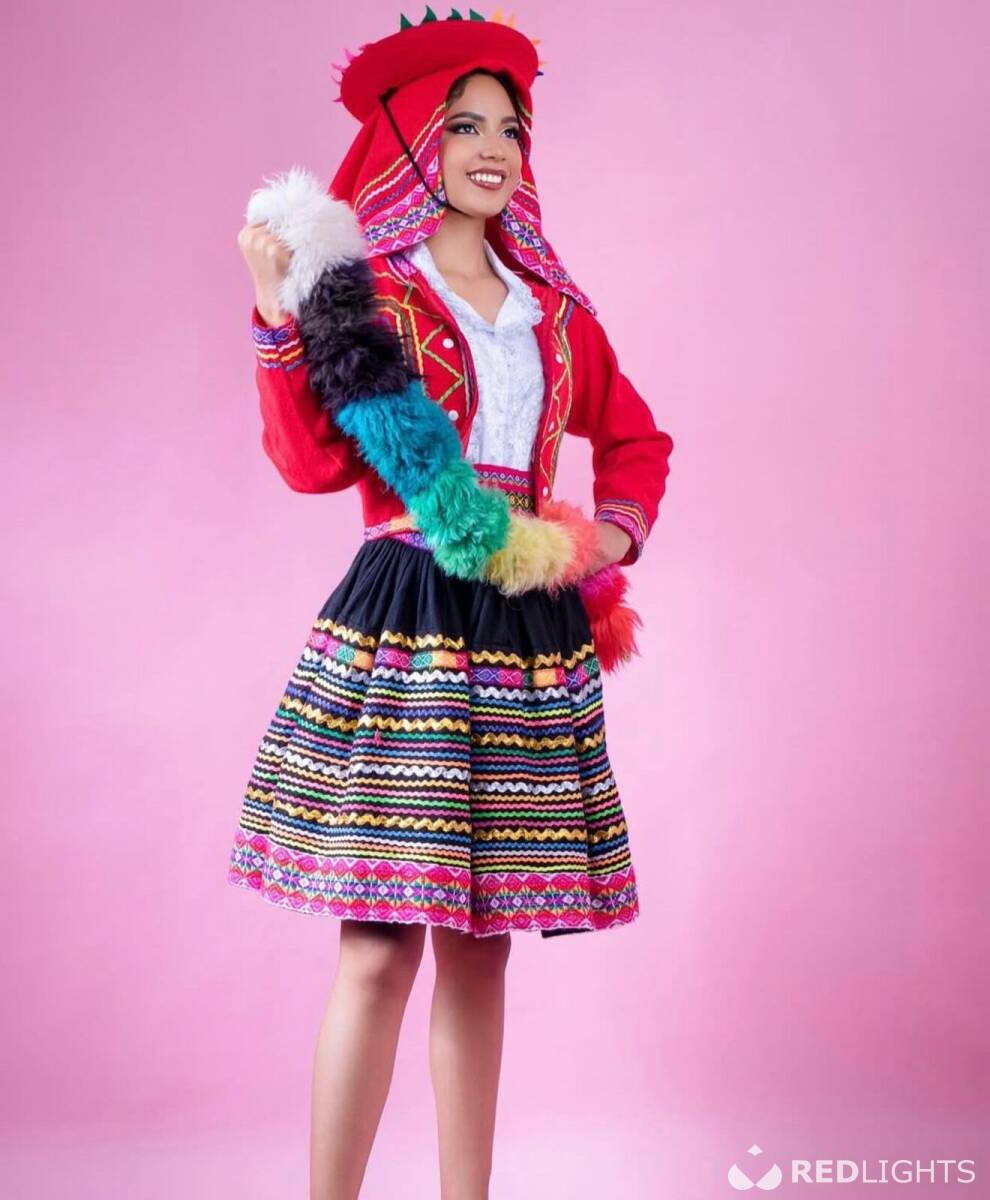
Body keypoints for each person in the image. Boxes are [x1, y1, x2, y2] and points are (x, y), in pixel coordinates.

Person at [229, 12, 674, 1199]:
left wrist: (612, 533)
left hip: (525, 629)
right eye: (465, 125)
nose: (493, 148)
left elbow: (637, 440)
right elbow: (309, 467)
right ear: (414, 141)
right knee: (380, 946)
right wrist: (276, 319)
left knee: (482, 954)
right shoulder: (365, 299)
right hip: (410, 617)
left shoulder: (555, 309)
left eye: (511, 129)